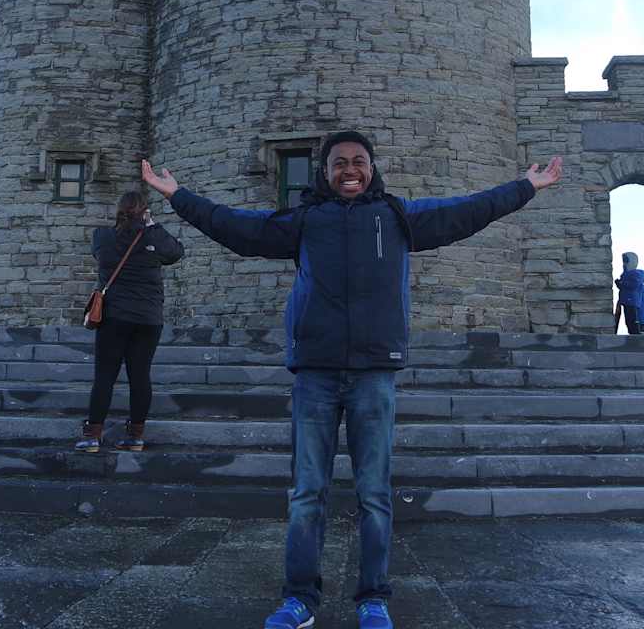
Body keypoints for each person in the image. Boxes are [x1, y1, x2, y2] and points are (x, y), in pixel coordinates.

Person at [140, 132, 562, 629]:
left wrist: (526, 186)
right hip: (315, 372)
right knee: (306, 493)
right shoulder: (304, 220)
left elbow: (468, 210)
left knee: (374, 494)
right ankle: (299, 599)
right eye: (339, 162)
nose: (349, 170)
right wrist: (178, 196)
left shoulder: (398, 216)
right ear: (325, 171)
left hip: (374, 373)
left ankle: (373, 598)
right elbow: (239, 228)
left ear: (371, 167)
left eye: (359, 161)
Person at [75, 190, 185, 454]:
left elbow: (101, 255)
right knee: (140, 376)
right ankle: (135, 436)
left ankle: (93, 436)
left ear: (118, 210)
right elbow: (176, 253)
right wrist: (152, 226)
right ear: (144, 212)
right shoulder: (152, 237)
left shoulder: (102, 237)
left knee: (104, 376)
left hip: (114, 317)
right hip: (148, 319)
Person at [613, 252, 644, 335]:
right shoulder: (626, 274)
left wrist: (622, 283)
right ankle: (632, 334)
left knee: (632, 320)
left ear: (631, 261)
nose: (624, 263)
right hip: (626, 300)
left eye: (625, 261)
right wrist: (619, 284)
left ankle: (635, 335)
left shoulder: (637, 274)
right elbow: (625, 287)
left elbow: (633, 285)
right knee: (628, 320)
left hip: (631, 300)